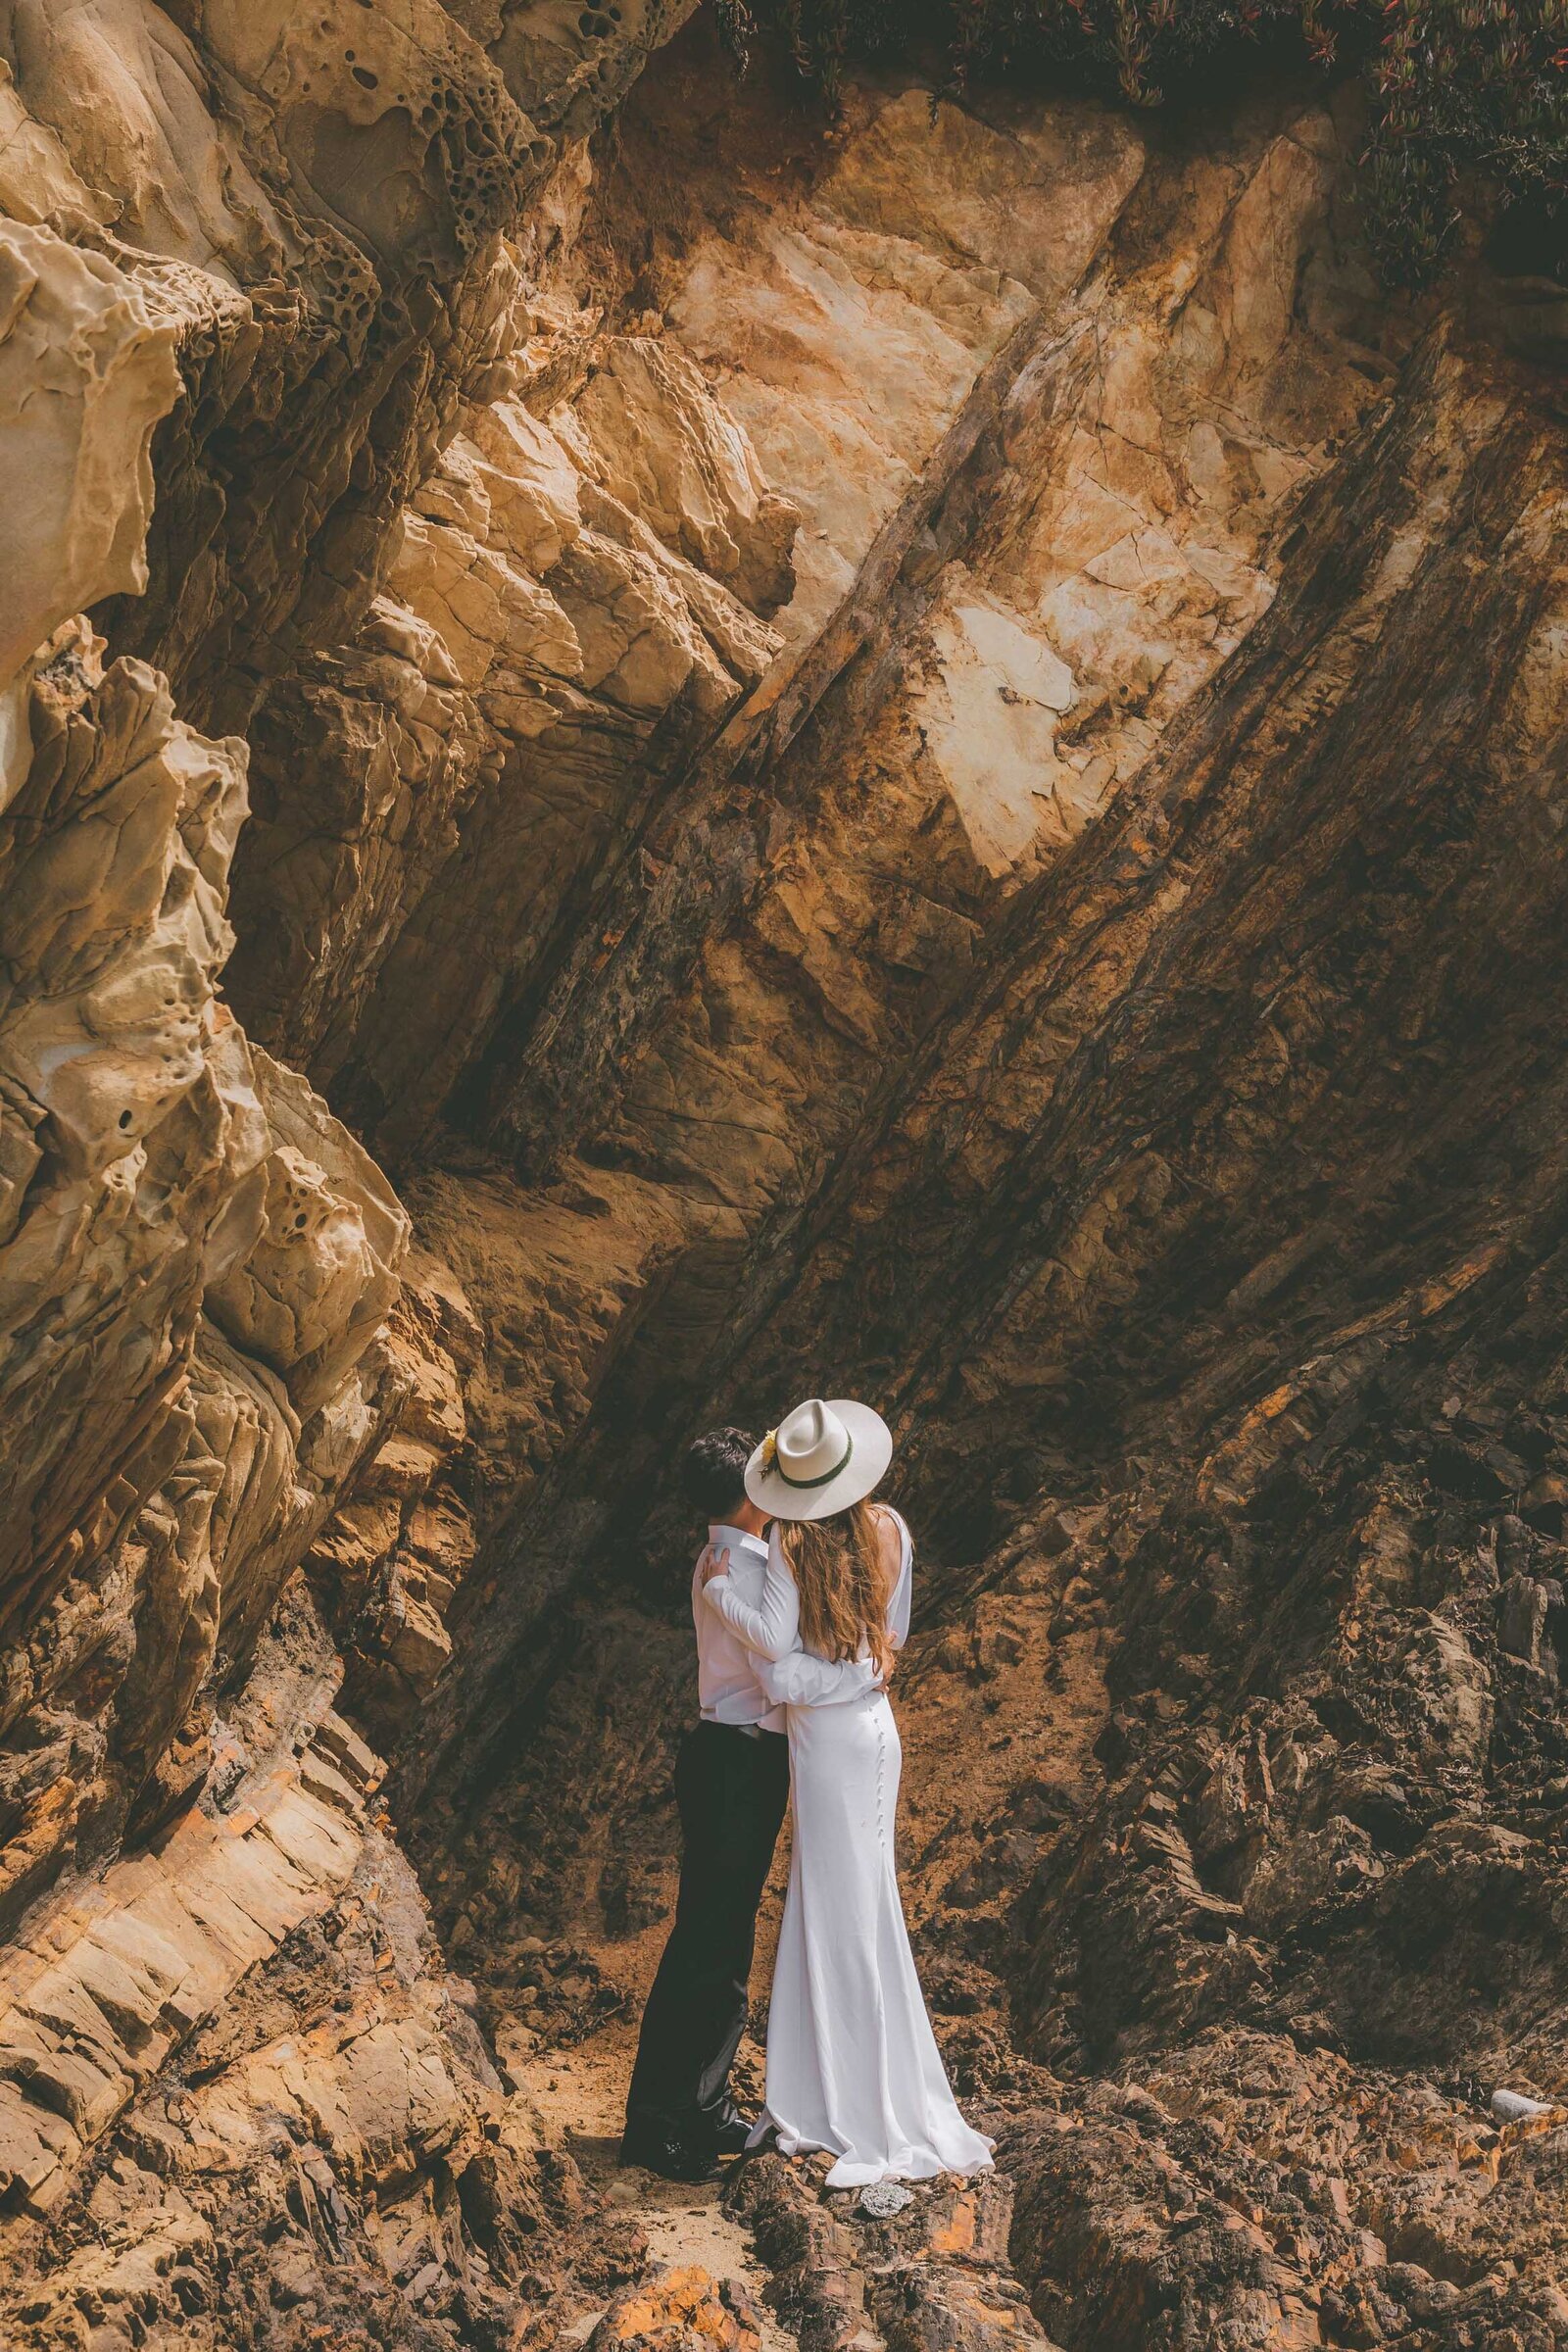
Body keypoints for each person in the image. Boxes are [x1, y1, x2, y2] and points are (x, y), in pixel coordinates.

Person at [702, 1396, 995, 2187]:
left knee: (836, 1909)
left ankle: (843, 2101)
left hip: (829, 1745)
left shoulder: (795, 1552)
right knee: (861, 1905)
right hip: (876, 1730)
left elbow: (778, 1663)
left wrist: (725, 1598)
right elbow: (885, 1645)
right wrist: (859, 1673)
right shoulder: (894, 1528)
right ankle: (871, 2088)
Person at [621, 1426, 885, 2181]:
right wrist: (861, 1672)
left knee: (719, 1941)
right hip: (739, 1759)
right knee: (708, 1945)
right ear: (753, 1494)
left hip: (724, 1754)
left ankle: (700, 2106)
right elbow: (779, 1673)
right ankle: (659, 2123)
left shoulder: (717, 1557)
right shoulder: (753, 1563)